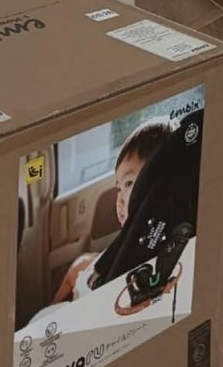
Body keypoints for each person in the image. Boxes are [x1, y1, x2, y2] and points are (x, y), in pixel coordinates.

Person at [48, 119, 175, 305]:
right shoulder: (136, 234)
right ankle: (53, 310)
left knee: (79, 269)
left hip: (92, 302)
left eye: (129, 184)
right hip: (95, 282)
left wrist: (84, 286)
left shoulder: (154, 243)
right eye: (118, 188)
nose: (120, 199)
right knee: (79, 264)